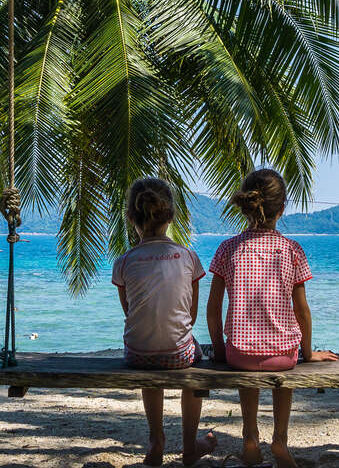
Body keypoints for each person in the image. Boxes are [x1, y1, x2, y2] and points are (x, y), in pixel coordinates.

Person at [206, 168, 338, 468]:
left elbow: (213, 308)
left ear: (245, 206)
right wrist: (307, 353)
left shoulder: (227, 249)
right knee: (283, 373)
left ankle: (250, 435)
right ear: (281, 209)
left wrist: (219, 348)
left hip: (238, 355)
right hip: (283, 357)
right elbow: (302, 312)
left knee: (247, 355)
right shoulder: (291, 249)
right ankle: (279, 440)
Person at [111, 177, 217, 466]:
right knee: (193, 355)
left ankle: (156, 440)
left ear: (132, 217)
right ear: (170, 216)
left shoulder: (124, 261)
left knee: (149, 343)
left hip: (137, 355)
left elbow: (130, 313)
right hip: (179, 356)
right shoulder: (188, 257)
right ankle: (188, 445)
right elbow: (190, 316)